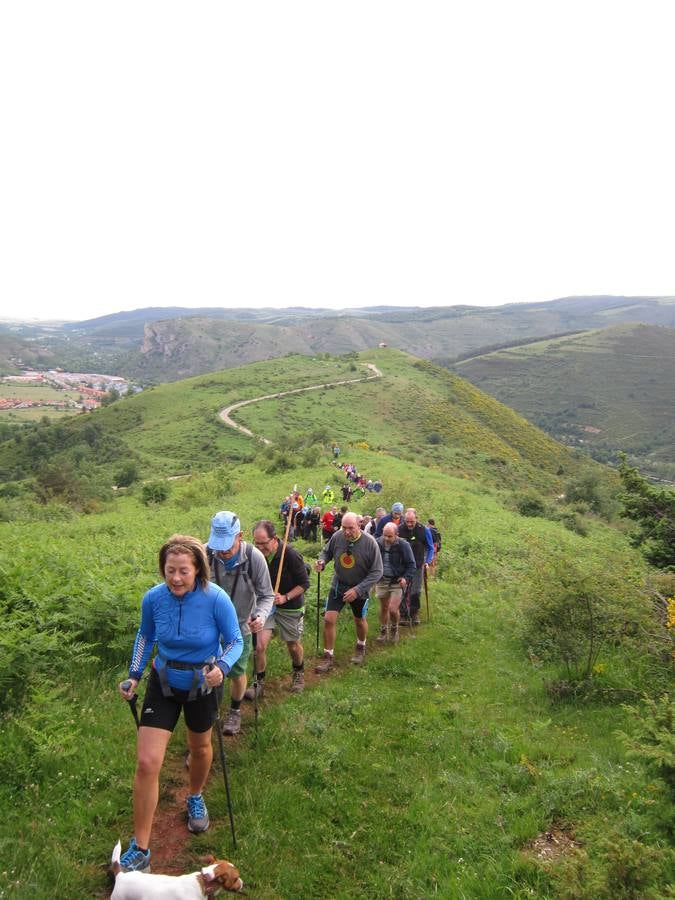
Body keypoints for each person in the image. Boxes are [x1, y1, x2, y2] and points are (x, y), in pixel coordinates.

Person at [117, 535, 243, 872]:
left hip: (203, 683)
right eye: (170, 570)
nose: (175, 578)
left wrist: (223, 668)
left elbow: (235, 641)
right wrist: (133, 674)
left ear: (198, 569)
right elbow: (145, 636)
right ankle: (141, 847)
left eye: (183, 571)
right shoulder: (153, 599)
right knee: (147, 762)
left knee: (199, 748)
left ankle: (196, 795)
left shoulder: (216, 599)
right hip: (163, 681)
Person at [207, 511, 274, 735]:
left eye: (227, 545)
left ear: (240, 536)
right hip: (209, 629)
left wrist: (261, 617)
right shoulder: (205, 554)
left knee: (236, 672)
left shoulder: (254, 558)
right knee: (209, 672)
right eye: (219, 545)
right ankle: (208, 715)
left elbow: (267, 595)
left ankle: (234, 711)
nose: (223, 551)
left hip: (241, 627)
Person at [247, 520, 311, 694]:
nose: (259, 547)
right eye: (256, 543)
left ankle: (298, 672)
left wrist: (285, 597)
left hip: (290, 605)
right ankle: (258, 681)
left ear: (274, 538)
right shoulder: (254, 555)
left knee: (292, 644)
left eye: (263, 543)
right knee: (259, 646)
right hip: (265, 605)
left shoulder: (289, 554)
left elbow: (304, 583)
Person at [314, 512, 383, 671]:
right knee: (329, 620)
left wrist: (358, 590)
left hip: (360, 588)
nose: (346, 532)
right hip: (338, 585)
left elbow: (377, 572)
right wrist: (322, 561)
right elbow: (327, 552)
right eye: (344, 528)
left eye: (350, 528)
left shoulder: (370, 543)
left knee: (359, 620)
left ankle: (360, 646)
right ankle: (328, 657)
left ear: (359, 524)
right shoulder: (337, 536)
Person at [374, 522, 417, 643]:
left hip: (397, 580)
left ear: (396, 535)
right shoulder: (377, 543)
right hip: (382, 579)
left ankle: (394, 628)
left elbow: (411, 565)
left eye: (390, 536)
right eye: (385, 535)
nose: (386, 539)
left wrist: (405, 578)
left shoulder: (403, 545)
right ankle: (383, 631)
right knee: (384, 607)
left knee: (393, 609)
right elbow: (371, 561)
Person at [398, 508, 435, 625]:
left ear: (417, 519)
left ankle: (414, 613)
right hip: (403, 565)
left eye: (411, 522)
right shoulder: (399, 529)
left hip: (418, 565)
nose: (409, 524)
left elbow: (430, 548)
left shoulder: (424, 530)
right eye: (407, 521)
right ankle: (403, 614)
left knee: (416, 590)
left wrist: (427, 562)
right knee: (403, 589)